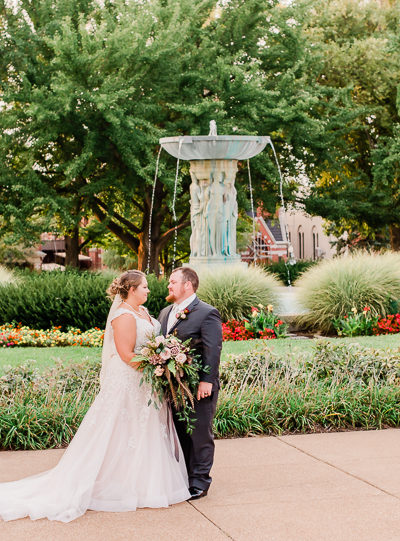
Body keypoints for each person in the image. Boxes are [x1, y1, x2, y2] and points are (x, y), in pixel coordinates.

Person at [0, 270, 190, 523]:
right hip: (128, 381)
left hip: (145, 382)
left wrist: (161, 361)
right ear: (131, 289)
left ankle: (143, 484)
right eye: (144, 287)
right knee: (121, 431)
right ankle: (113, 485)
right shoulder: (122, 315)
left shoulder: (144, 312)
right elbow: (125, 354)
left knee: (143, 431)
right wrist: (159, 363)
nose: (148, 290)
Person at [158, 267, 222, 501]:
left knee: (199, 433)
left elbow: (212, 349)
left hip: (198, 386)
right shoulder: (165, 312)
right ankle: (185, 477)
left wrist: (206, 381)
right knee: (181, 432)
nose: (169, 285)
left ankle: (200, 482)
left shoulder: (207, 313)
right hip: (173, 387)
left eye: (173, 281)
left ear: (188, 285)